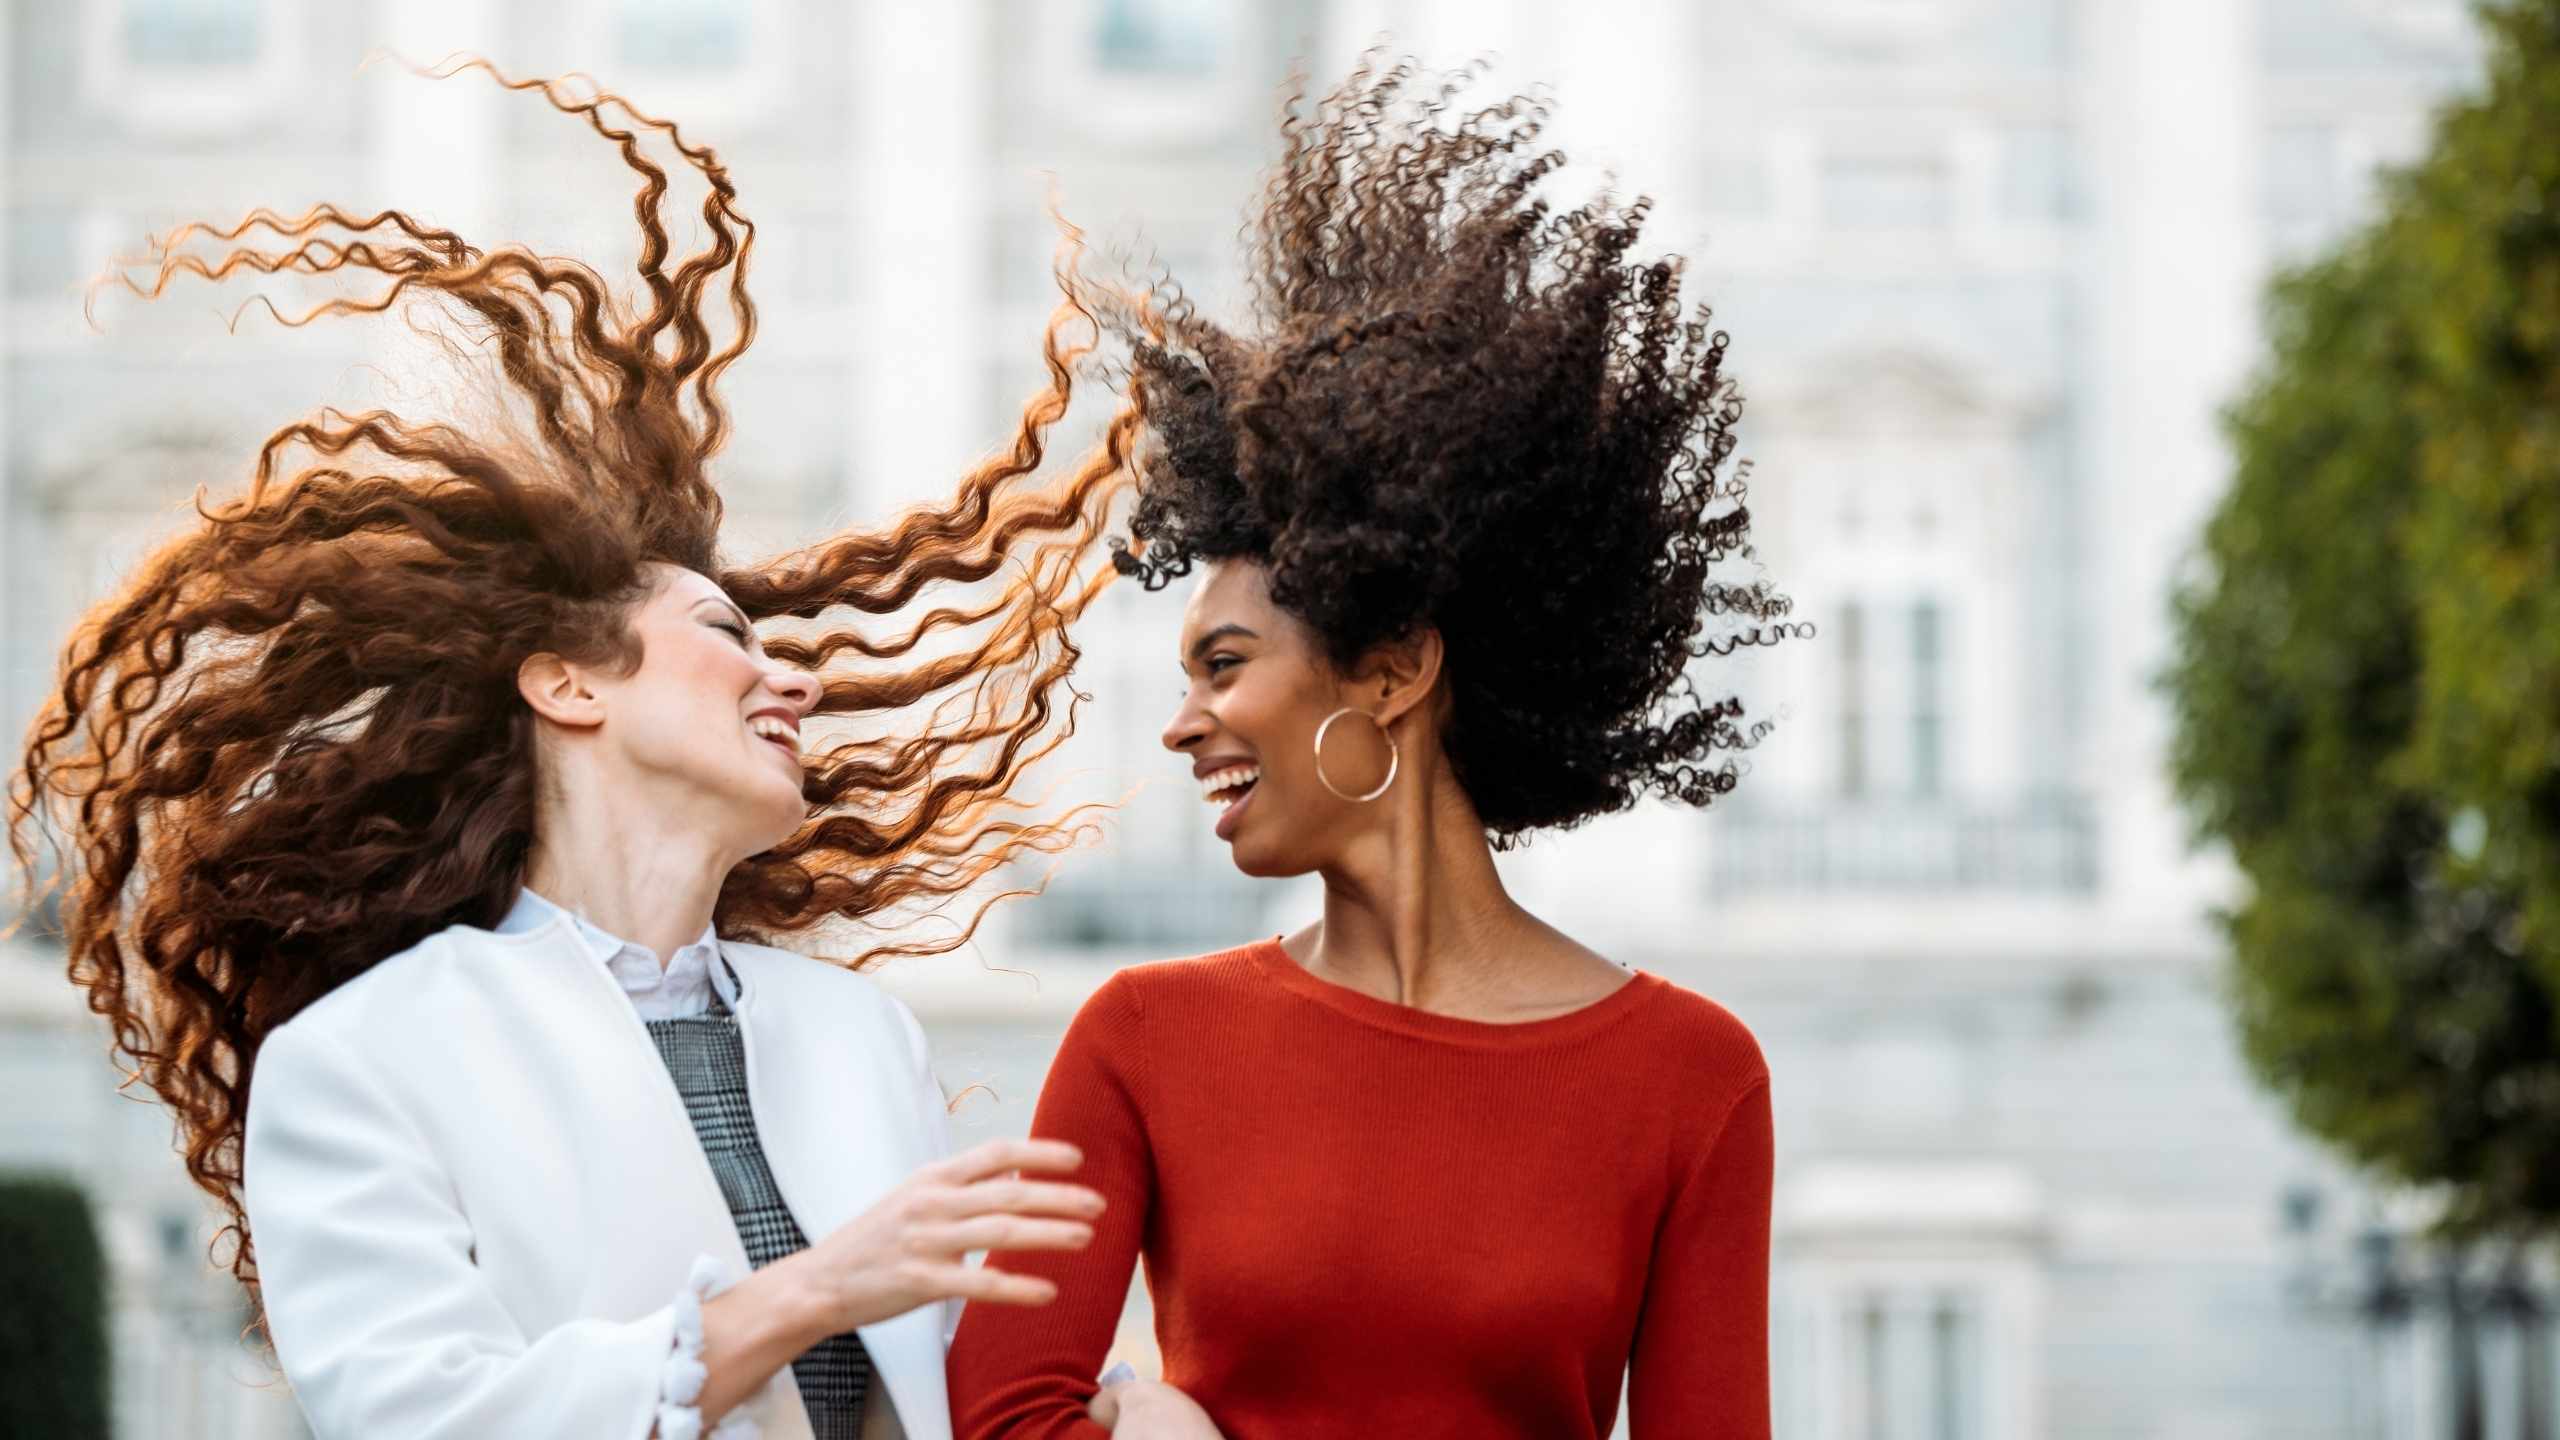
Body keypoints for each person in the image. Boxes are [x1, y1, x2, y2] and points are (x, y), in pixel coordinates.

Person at [9, 62, 1137, 1440]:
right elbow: (424, 1420)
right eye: (725, 630)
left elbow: (960, 1393)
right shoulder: (367, 1056)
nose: (788, 676)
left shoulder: (854, 1036)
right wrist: (808, 1293)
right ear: (564, 686)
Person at [944, 60, 1800, 1440]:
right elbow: (1000, 1422)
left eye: (1226, 665)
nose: (1180, 723)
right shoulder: (1143, 1042)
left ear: (1394, 670)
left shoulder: (1693, 1079)